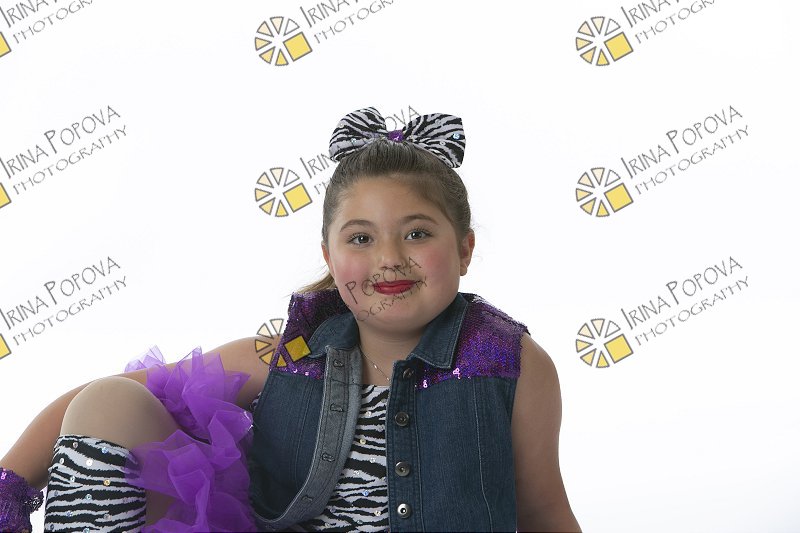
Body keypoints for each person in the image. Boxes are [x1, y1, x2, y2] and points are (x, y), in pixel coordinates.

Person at [0, 107, 581, 532]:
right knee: (108, 401)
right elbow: (96, 403)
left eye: (417, 233)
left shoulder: (510, 364)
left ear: (465, 249)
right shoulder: (289, 355)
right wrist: (9, 486)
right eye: (361, 238)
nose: (389, 258)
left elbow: (543, 513)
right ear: (329, 256)